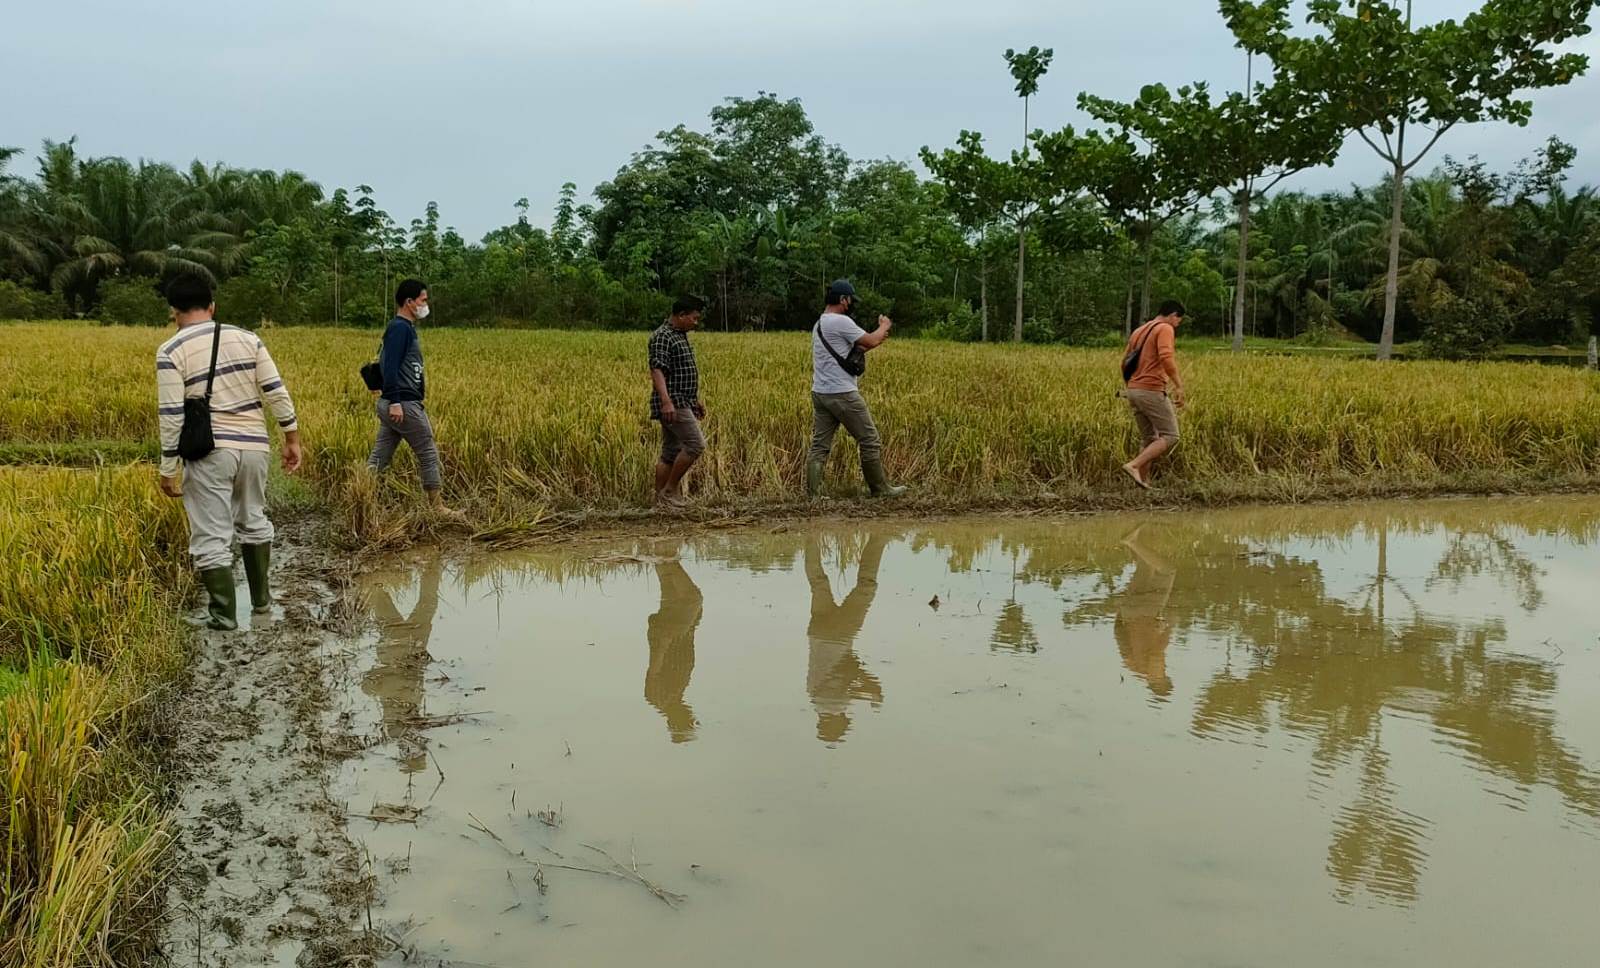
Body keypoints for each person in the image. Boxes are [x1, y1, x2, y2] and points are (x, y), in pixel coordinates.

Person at [156, 272, 303, 631]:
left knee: (211, 533)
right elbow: (275, 391)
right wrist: (292, 437)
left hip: (209, 452)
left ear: (173, 310)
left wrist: (168, 466)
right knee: (253, 518)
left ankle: (223, 617)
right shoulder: (248, 339)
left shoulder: (170, 351)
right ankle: (262, 604)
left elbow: (172, 415)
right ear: (212, 306)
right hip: (254, 446)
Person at [368, 279, 462, 518]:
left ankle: (361, 497)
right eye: (423, 299)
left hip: (395, 402)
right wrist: (396, 401)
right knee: (428, 452)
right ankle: (437, 508)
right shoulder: (400, 328)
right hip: (404, 404)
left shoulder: (403, 328)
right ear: (409, 302)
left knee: (380, 456)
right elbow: (389, 367)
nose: (425, 304)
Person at [806, 280, 905, 499]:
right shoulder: (840, 321)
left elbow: (855, 348)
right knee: (870, 439)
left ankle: (813, 494)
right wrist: (884, 326)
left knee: (820, 446)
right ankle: (880, 489)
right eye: (850, 300)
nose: (852, 304)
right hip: (842, 393)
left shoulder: (820, 323)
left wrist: (872, 339)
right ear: (843, 300)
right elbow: (870, 340)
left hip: (821, 393)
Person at [805, 532, 888, 744]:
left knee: (866, 587)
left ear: (836, 721)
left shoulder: (833, 705)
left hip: (839, 636)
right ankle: (810, 536)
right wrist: (866, 691)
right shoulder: (812, 695)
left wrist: (873, 694)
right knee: (818, 582)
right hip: (817, 632)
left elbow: (853, 674)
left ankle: (880, 537)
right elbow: (848, 674)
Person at [648, 295, 708, 507]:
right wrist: (666, 402)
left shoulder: (679, 335)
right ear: (681, 315)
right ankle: (669, 492)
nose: (695, 322)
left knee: (670, 452)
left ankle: (660, 502)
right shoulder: (663, 336)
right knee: (695, 445)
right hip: (674, 403)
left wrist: (694, 400)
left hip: (683, 400)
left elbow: (681, 373)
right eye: (693, 318)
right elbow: (657, 369)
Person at [1121, 299, 1187, 489]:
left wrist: (1132, 386)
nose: (1177, 325)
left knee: (1149, 438)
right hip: (1151, 390)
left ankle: (1143, 482)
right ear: (1173, 315)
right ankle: (1133, 465)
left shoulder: (1139, 331)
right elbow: (1166, 357)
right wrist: (1179, 386)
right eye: (1178, 321)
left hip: (1133, 390)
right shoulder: (1165, 328)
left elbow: (1124, 362)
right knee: (1171, 435)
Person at [644, 559, 703, 743]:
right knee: (675, 594)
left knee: (692, 599)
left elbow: (653, 671)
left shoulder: (660, 698)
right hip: (677, 633)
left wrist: (662, 642)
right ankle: (662, 553)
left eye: (689, 718)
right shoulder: (673, 696)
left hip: (669, 635)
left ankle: (664, 556)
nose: (691, 712)